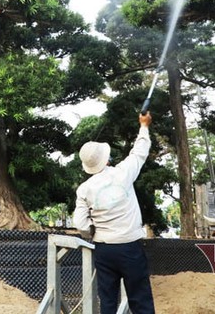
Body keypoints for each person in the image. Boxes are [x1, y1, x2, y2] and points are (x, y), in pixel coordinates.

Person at [74, 112, 155, 314]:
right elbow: (140, 151)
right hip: (130, 247)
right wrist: (144, 126)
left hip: (104, 249)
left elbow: (80, 224)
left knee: (108, 301)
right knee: (140, 299)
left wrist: (90, 231)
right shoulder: (122, 173)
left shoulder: (84, 189)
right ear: (106, 158)